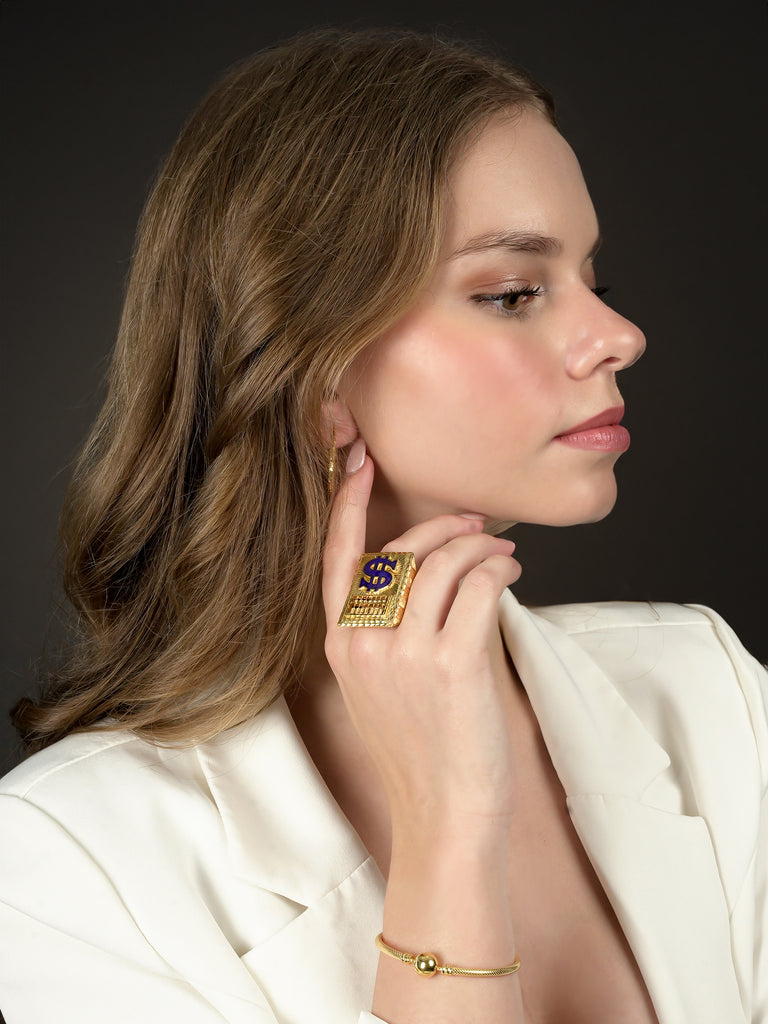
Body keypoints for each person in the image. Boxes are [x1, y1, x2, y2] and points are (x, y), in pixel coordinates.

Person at [0, 27, 765, 1024]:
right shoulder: (67, 867)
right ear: (312, 374)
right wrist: (449, 824)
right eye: (513, 293)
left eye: (595, 279)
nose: (621, 335)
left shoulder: (710, 693)